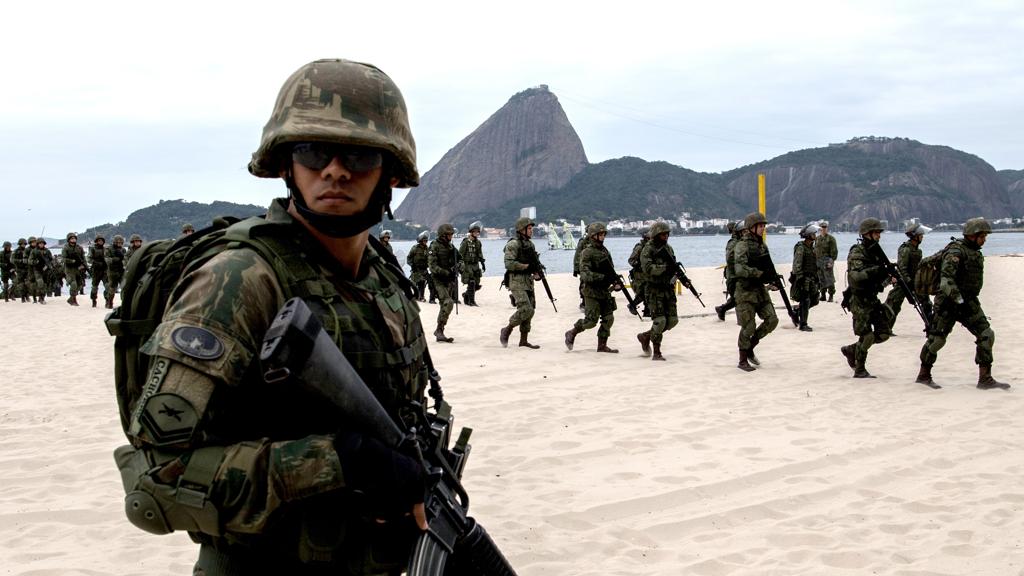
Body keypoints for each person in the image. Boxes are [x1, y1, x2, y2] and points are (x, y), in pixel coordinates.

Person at [114, 59, 432, 574]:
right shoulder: (240, 279)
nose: (335, 169)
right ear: (286, 164)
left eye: (358, 153)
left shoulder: (382, 277)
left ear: (390, 172)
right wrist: (336, 462)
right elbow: (156, 482)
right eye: (312, 151)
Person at [916, 218, 1009, 390]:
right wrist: (958, 299)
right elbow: (946, 281)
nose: (985, 240)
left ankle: (985, 378)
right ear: (973, 236)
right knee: (937, 340)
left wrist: (965, 301)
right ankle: (924, 375)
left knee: (987, 334)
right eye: (982, 236)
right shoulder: (955, 252)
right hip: (948, 303)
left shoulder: (973, 250)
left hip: (968, 302)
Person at [840, 218, 894, 378]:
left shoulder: (875, 252)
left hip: (872, 298)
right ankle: (860, 368)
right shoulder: (857, 252)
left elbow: (879, 280)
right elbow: (856, 276)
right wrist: (877, 271)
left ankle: (852, 350)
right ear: (866, 234)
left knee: (884, 333)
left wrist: (888, 277)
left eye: (879, 233)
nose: (879, 236)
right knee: (867, 335)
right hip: (859, 299)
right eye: (876, 233)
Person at [733, 212, 779, 371]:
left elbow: (768, 265)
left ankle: (751, 345)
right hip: (745, 292)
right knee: (748, 326)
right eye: (760, 226)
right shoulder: (742, 245)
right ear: (751, 228)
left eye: (764, 226)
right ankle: (742, 359)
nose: (763, 229)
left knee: (772, 320)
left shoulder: (761, 245)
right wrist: (759, 274)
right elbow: (739, 269)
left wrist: (773, 278)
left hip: (760, 290)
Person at [565, 222, 621, 353]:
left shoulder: (605, 251)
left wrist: (615, 281)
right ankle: (572, 332)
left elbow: (611, 270)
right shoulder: (587, 252)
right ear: (593, 236)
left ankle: (602, 345)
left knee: (609, 318)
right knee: (591, 321)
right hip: (591, 291)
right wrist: (602, 277)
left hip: (604, 290)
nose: (602, 237)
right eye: (600, 234)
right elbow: (585, 274)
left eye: (603, 234)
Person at [637, 221, 678, 361]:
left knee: (672, 321)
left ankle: (646, 336)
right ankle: (657, 352)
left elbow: (673, 266)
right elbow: (648, 268)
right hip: (654, 289)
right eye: (663, 234)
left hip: (668, 289)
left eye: (667, 234)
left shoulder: (669, 249)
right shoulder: (647, 250)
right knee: (660, 321)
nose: (666, 237)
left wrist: (677, 275)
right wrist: (664, 268)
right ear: (656, 235)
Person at [500, 217, 542, 349]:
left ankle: (523, 340)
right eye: (529, 228)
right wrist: (526, 267)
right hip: (516, 281)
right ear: (521, 230)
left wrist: (537, 272)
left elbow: (533, 262)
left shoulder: (530, 245)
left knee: (531, 310)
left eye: (531, 228)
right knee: (526, 309)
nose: (531, 231)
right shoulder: (513, 244)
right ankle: (507, 329)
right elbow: (509, 263)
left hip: (528, 282)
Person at [885, 222, 931, 328]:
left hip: (915, 281)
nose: (922, 237)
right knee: (893, 304)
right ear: (915, 236)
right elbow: (902, 268)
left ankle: (930, 326)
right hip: (904, 283)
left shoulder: (917, 249)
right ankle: (885, 328)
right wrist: (908, 281)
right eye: (921, 235)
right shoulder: (905, 249)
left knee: (926, 304)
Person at [428, 223, 458, 342]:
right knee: (448, 302)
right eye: (449, 235)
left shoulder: (451, 247)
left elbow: (459, 259)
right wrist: (446, 272)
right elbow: (432, 266)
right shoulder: (434, 246)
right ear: (443, 235)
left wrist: (459, 265)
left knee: (444, 306)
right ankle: (439, 330)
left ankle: (440, 331)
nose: (451, 237)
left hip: (449, 280)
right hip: (438, 280)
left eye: (451, 234)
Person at [790, 223, 820, 331]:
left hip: (812, 278)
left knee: (815, 300)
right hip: (804, 279)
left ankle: (797, 312)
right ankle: (803, 324)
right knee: (805, 300)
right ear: (808, 235)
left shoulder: (811, 248)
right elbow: (796, 265)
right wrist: (800, 278)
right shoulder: (801, 248)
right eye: (813, 234)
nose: (815, 235)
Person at [714, 221, 743, 321]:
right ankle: (722, 309)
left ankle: (721, 309)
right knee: (738, 298)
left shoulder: (740, 242)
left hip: (737, 274)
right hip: (734, 276)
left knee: (737, 297)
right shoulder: (733, 243)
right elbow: (730, 260)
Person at [458, 221, 485, 306]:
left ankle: (466, 295)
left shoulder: (478, 243)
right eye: (475, 231)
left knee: (477, 284)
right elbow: (460, 254)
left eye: (478, 231)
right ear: (471, 232)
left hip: (475, 265)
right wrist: (460, 265)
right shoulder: (465, 242)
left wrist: (483, 263)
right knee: (471, 282)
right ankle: (471, 301)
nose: (477, 233)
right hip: (467, 265)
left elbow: (480, 253)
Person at [627, 227, 649, 317]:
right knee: (643, 293)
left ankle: (647, 311)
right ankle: (632, 305)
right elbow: (631, 260)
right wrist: (640, 265)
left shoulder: (651, 246)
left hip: (647, 273)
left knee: (649, 292)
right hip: (639, 275)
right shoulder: (640, 247)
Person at [814, 220, 838, 301]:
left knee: (829, 279)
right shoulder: (817, 239)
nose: (823, 229)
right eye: (822, 227)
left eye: (825, 227)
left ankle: (831, 295)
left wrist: (831, 262)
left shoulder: (831, 239)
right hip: (818, 262)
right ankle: (823, 295)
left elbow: (834, 252)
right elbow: (815, 250)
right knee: (820, 279)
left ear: (827, 228)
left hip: (827, 261)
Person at [62, 232, 87, 306]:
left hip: (78, 268)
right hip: (69, 269)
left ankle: (71, 298)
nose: (73, 240)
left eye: (74, 238)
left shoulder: (79, 248)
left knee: (81, 284)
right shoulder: (66, 248)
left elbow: (83, 258)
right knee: (73, 284)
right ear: (69, 239)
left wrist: (84, 265)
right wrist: (72, 261)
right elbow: (63, 259)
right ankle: (74, 300)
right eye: (72, 238)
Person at [104, 234, 127, 309]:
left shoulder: (123, 250)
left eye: (121, 242)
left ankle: (124, 303)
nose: (119, 244)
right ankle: (110, 302)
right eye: (118, 242)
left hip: (121, 270)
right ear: (115, 242)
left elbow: (125, 259)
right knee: (112, 288)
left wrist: (123, 262)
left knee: (124, 286)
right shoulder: (109, 249)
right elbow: (107, 260)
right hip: (112, 271)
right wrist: (114, 259)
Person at [407, 230, 430, 302]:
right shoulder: (415, 248)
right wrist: (412, 265)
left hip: (424, 269)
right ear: (420, 241)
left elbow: (429, 258)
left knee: (422, 283)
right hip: (416, 269)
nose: (425, 242)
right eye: (424, 241)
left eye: (426, 241)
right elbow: (409, 258)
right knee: (415, 283)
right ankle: (415, 296)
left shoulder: (427, 248)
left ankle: (421, 296)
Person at [28, 237, 52, 304]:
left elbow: (51, 260)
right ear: (38, 244)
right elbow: (30, 261)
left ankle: (42, 298)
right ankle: (40, 298)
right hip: (37, 270)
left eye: (42, 243)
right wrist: (36, 262)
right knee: (40, 283)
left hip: (45, 270)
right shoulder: (34, 251)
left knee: (44, 284)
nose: (41, 244)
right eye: (40, 243)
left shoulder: (47, 251)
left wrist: (48, 266)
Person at [572, 228, 592, 310]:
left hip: (593, 268)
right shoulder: (583, 242)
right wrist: (576, 269)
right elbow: (577, 255)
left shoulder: (596, 242)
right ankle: (584, 303)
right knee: (584, 285)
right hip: (583, 268)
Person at [88, 235, 108, 308]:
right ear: (96, 241)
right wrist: (95, 262)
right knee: (94, 287)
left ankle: (107, 300)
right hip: (96, 270)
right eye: (99, 240)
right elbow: (89, 259)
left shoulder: (106, 249)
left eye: (102, 240)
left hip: (104, 270)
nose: (101, 242)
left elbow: (108, 257)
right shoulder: (93, 249)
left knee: (107, 286)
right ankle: (94, 300)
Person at [12, 238, 30, 302]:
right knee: (21, 284)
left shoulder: (27, 250)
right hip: (19, 270)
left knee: (28, 283)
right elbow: (12, 260)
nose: (24, 245)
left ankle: (27, 296)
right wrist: (20, 261)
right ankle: (23, 297)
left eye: (24, 244)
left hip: (27, 269)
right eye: (22, 244)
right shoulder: (16, 251)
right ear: (19, 244)